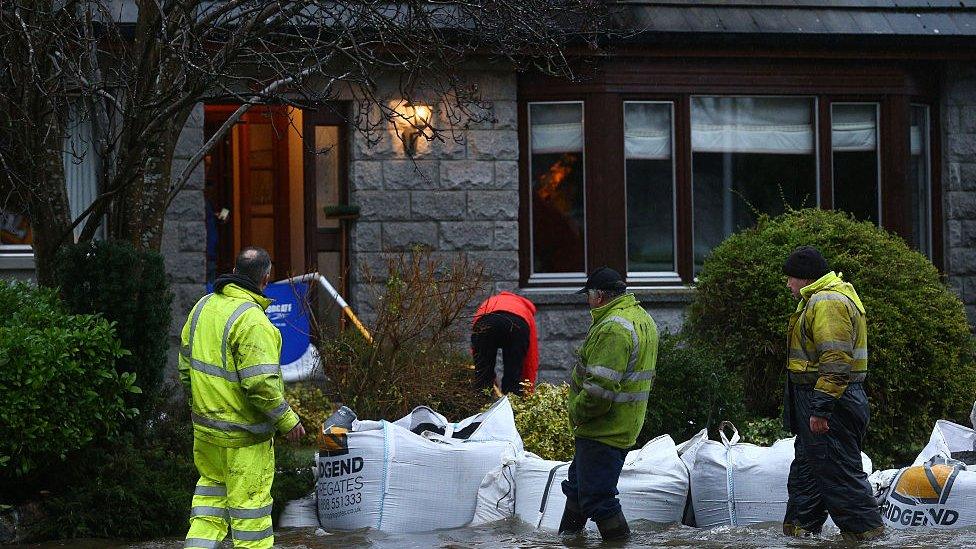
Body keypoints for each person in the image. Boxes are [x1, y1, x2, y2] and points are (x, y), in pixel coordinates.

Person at [179, 246, 305, 549]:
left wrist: (202, 406)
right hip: (245, 439)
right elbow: (261, 385)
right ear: (266, 279)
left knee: (209, 508)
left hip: (207, 434)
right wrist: (289, 421)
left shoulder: (202, 307)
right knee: (251, 518)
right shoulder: (253, 321)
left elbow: (185, 369)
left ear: (234, 273)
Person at [781, 246, 883, 541]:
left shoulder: (827, 302)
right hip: (822, 400)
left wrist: (820, 409)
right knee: (807, 477)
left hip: (832, 403)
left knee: (840, 477)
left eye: (790, 278)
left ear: (805, 277)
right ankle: (798, 536)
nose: (788, 285)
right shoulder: (820, 299)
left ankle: (868, 539)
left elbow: (837, 362)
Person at [559, 267, 658, 541]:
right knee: (579, 489)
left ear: (599, 296)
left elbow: (600, 391)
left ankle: (618, 543)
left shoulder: (613, 327)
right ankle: (568, 540)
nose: (587, 301)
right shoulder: (640, 317)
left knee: (599, 499)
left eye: (588, 295)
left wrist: (577, 412)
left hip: (602, 428)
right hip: (618, 425)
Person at [471, 291, 539, 395]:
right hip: (518, 324)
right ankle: (512, 405)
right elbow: (530, 358)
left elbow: (477, 346)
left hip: (486, 320)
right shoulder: (525, 311)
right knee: (513, 377)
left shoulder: (489, 302)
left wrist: (480, 366)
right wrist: (528, 389)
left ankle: (482, 403)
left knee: (483, 375)